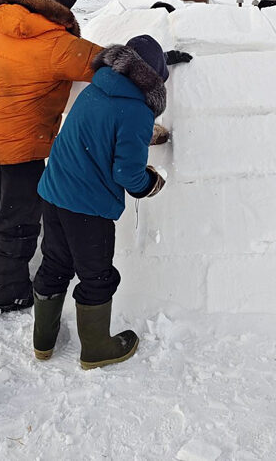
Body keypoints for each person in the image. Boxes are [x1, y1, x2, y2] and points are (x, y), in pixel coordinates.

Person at [0, 0, 103, 312]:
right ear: (60, 10)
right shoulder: (55, 43)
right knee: (16, 226)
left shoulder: (1, 26)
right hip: (16, 152)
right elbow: (102, 63)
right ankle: (12, 296)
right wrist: (145, 61)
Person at [31, 35, 170, 369]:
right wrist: (152, 183)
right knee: (97, 276)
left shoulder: (95, 89)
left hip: (54, 192)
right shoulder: (136, 110)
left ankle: (43, 341)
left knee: (55, 264)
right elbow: (127, 173)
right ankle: (95, 348)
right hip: (87, 207)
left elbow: (99, 134)